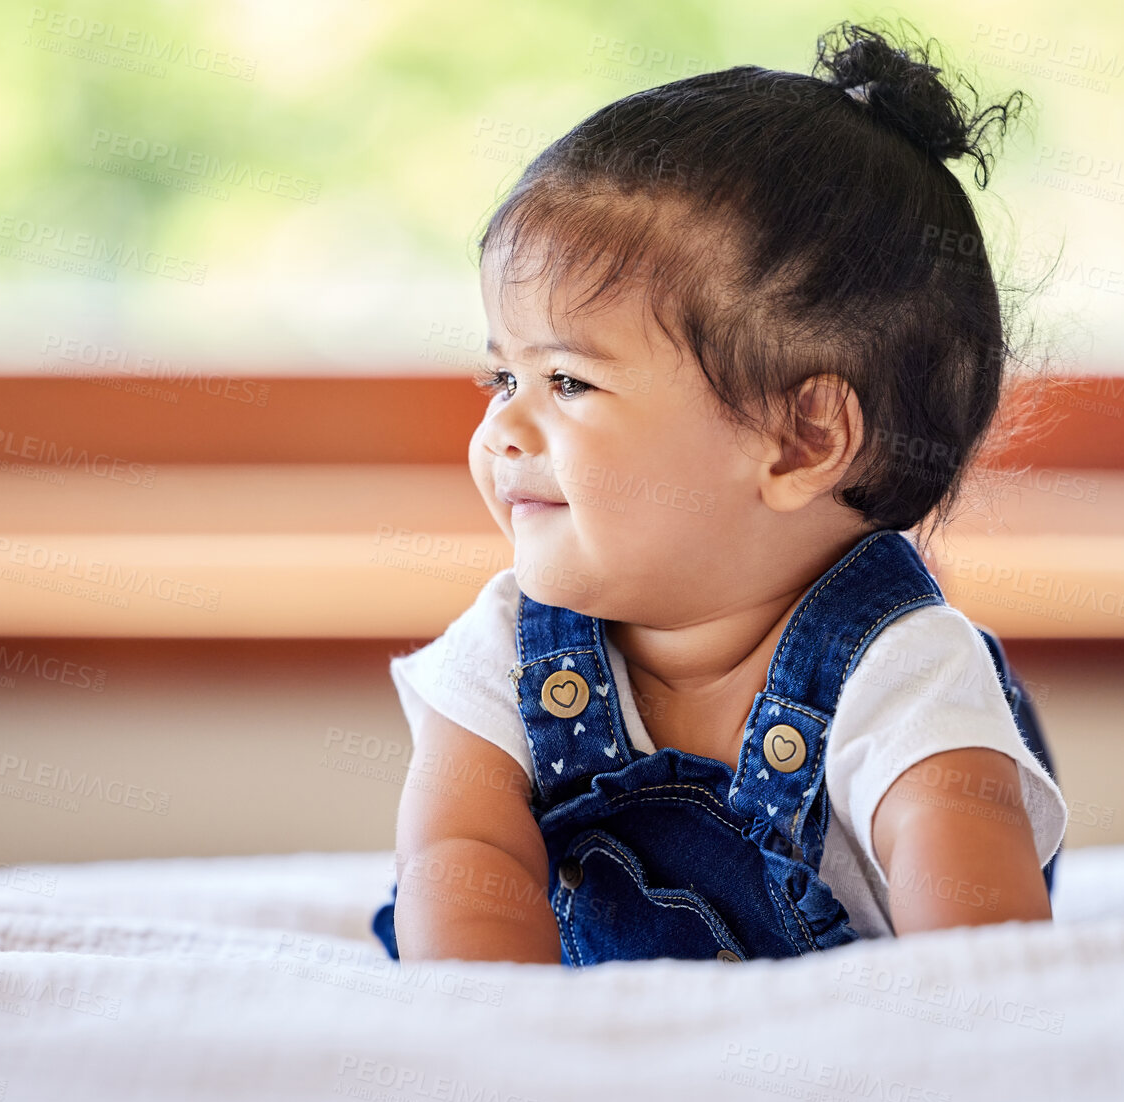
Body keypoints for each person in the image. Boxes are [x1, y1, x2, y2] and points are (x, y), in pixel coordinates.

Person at [375, 19, 1066, 965]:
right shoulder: (508, 649)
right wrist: (513, 1046)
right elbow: (461, 856)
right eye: (504, 379)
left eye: (568, 382)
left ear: (799, 440)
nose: (502, 429)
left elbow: (986, 964)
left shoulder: (902, 672)